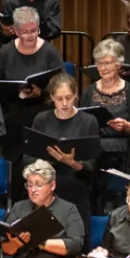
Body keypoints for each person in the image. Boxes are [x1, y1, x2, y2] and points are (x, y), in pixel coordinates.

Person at [30, 74, 98, 227]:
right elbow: (28, 159)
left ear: (76, 95)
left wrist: (71, 162)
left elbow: (92, 167)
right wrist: (47, 162)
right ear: (52, 97)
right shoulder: (41, 119)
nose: (65, 103)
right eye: (59, 99)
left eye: (69, 97)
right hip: (46, 188)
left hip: (76, 187)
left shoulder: (88, 121)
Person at [81, 39, 130, 177]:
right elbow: (81, 126)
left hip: (125, 154)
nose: (103, 68)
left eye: (108, 63)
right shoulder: (88, 92)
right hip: (95, 153)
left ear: (119, 64)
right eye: (99, 63)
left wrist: (128, 127)